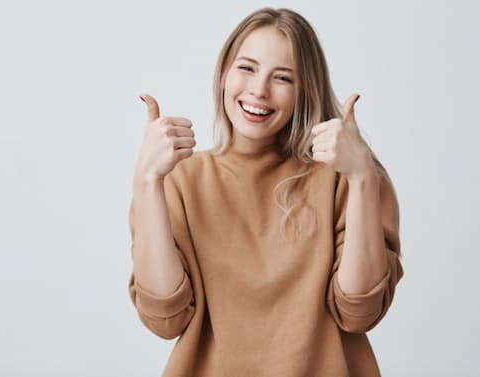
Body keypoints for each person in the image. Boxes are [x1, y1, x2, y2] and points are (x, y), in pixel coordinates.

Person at [127, 6, 403, 377]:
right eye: (246, 68)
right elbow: (165, 319)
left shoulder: (347, 178)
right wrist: (146, 181)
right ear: (224, 73)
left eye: (283, 77)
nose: (259, 89)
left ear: (306, 89)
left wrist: (363, 178)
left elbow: (359, 313)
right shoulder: (181, 180)